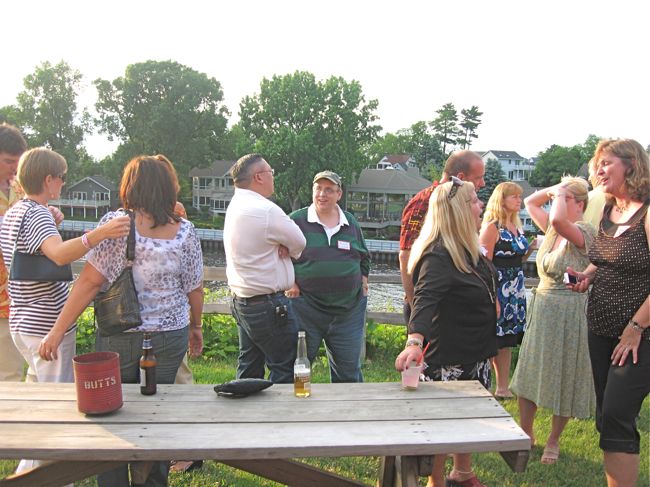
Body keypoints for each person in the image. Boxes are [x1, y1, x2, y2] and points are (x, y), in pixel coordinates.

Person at [40, 154, 204, 487]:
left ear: (131, 186)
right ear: (167, 187)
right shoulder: (185, 231)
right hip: (170, 338)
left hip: (120, 335)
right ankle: (152, 480)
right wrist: (196, 327)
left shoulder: (116, 225)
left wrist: (56, 332)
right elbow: (195, 289)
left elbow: (89, 282)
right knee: (157, 416)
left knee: (111, 415)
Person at [0, 147, 130, 477]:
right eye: (62, 177)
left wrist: (51, 217)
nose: (63, 184)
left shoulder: (15, 212)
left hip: (21, 321)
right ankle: (36, 478)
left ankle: (32, 474)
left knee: (41, 404)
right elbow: (58, 255)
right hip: (46, 324)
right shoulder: (38, 214)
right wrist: (99, 234)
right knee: (55, 410)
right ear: (49, 179)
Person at [395, 177, 497, 487]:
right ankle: (435, 482)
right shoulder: (438, 255)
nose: (481, 206)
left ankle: (461, 472)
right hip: (450, 359)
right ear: (460, 210)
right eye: (475, 201)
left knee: (467, 420)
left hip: (475, 353)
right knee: (444, 425)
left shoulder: (466, 249)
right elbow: (423, 301)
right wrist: (414, 342)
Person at [567, 139, 649, 487]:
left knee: (616, 412)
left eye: (606, 163)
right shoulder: (608, 211)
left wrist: (635, 327)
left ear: (631, 165)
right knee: (607, 416)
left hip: (638, 334)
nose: (598, 170)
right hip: (599, 327)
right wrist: (588, 274)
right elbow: (607, 258)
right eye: (596, 164)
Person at [510, 176, 596, 464]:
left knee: (565, 375)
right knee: (530, 370)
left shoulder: (584, 231)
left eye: (565, 199)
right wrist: (554, 190)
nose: (557, 202)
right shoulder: (551, 230)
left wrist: (559, 194)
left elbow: (560, 221)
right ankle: (526, 431)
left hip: (570, 311)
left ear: (580, 204)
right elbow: (529, 202)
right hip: (544, 307)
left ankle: (554, 440)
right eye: (558, 199)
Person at [224, 153, 306, 383]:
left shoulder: (237, 204)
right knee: (285, 367)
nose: (273, 178)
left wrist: (283, 246)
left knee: (249, 364)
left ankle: (246, 416)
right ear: (259, 177)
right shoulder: (266, 210)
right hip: (268, 305)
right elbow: (299, 242)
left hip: (243, 301)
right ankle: (278, 417)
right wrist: (288, 249)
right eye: (271, 173)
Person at [286, 171, 370, 383]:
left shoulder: (350, 222)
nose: (322, 194)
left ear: (339, 194)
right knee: (297, 367)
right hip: (306, 309)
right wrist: (292, 282)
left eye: (329, 190)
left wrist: (364, 279)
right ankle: (291, 412)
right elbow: (279, 257)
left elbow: (363, 256)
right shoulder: (296, 221)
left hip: (348, 313)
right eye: (318, 189)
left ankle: (347, 414)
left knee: (349, 372)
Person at [399, 150, 486, 322]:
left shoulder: (462, 202)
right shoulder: (425, 201)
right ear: (460, 176)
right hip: (431, 306)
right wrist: (415, 307)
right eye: (478, 177)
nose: (482, 183)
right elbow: (406, 255)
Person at [479, 182, 529, 399]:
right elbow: (484, 263)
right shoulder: (492, 227)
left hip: (516, 288)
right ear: (502, 200)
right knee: (494, 339)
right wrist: (493, 296)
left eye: (520, 196)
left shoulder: (516, 226)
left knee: (507, 340)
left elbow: (517, 258)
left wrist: (531, 249)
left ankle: (502, 387)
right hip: (499, 288)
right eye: (514, 197)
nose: (519, 200)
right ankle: (485, 384)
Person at [0, 123, 27, 381]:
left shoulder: (20, 188)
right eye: (9, 161)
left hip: (14, 295)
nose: (14, 168)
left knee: (9, 373)